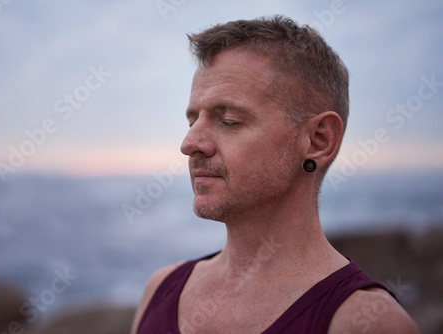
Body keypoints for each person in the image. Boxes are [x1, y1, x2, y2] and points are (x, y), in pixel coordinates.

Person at [131, 15, 420, 334]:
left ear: (318, 140)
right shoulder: (160, 290)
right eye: (192, 121)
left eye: (228, 120)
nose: (189, 144)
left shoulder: (364, 322)